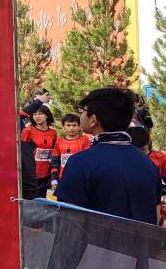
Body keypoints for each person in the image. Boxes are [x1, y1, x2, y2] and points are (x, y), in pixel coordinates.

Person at [55, 87, 159, 224]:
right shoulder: (148, 162)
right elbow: (156, 214)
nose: (80, 115)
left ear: (93, 120)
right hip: (141, 244)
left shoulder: (81, 162)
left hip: (98, 244)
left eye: (82, 111)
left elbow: (68, 222)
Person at [128, 126, 166, 222]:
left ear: (148, 144)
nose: (139, 155)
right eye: (134, 151)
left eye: (143, 150)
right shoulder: (119, 157)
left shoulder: (160, 158)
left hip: (150, 214)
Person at [19, 105, 57, 200]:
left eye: (40, 114)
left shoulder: (53, 133)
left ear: (47, 115)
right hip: (31, 173)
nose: (37, 116)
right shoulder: (28, 130)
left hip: (45, 173)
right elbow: (22, 152)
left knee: (42, 200)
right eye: (34, 114)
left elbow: (54, 152)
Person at [52, 113, 91, 182]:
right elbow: (55, 161)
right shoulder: (58, 142)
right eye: (68, 125)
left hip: (80, 178)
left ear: (79, 126)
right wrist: (54, 178)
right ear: (63, 127)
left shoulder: (85, 140)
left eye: (74, 125)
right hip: (62, 177)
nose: (71, 128)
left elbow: (88, 161)